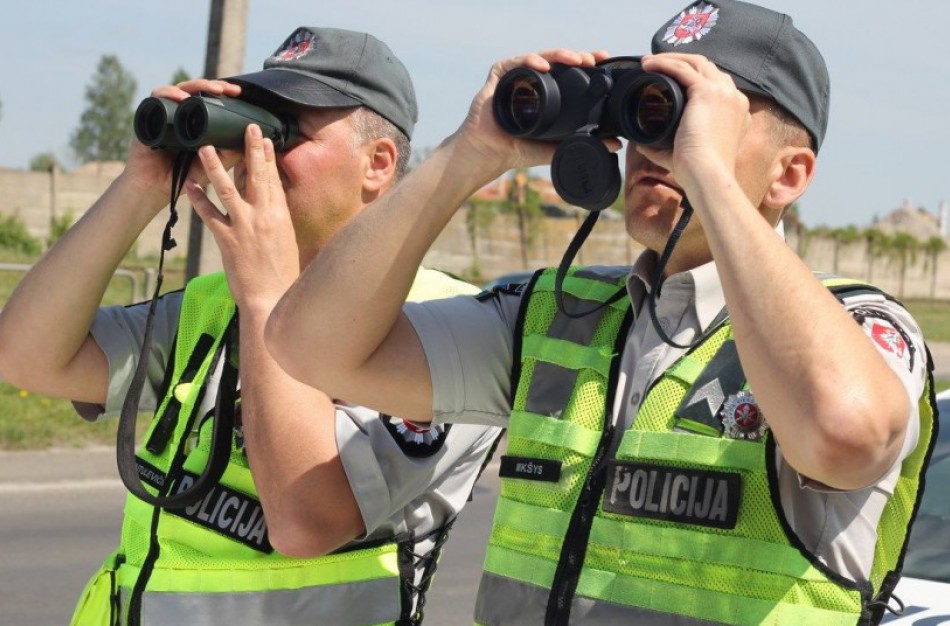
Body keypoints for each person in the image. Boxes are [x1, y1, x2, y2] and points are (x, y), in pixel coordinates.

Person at [263, 2, 938, 625]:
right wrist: (471, 153)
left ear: (788, 176)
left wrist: (706, 169)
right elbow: (309, 346)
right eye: (650, 109)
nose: (658, 143)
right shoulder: (555, 314)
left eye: (695, 113)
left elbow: (846, 437)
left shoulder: (858, 327)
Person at [0, 26, 501, 626]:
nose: (255, 146)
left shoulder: (445, 333)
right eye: (250, 122)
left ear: (377, 164)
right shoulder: (215, 304)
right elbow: (28, 359)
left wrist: (269, 295)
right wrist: (141, 187)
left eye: (287, 131)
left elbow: (305, 520)